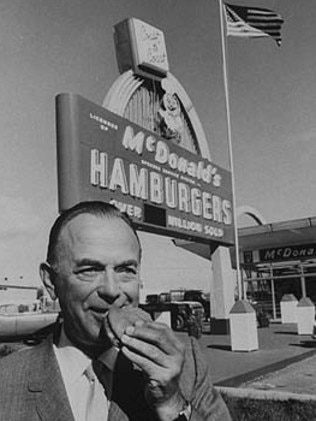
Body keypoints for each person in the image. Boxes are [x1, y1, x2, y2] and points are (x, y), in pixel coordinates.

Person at [0, 201, 231, 421]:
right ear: (51, 282)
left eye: (125, 270)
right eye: (90, 269)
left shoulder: (186, 365)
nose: (111, 290)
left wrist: (171, 404)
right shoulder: (6, 381)